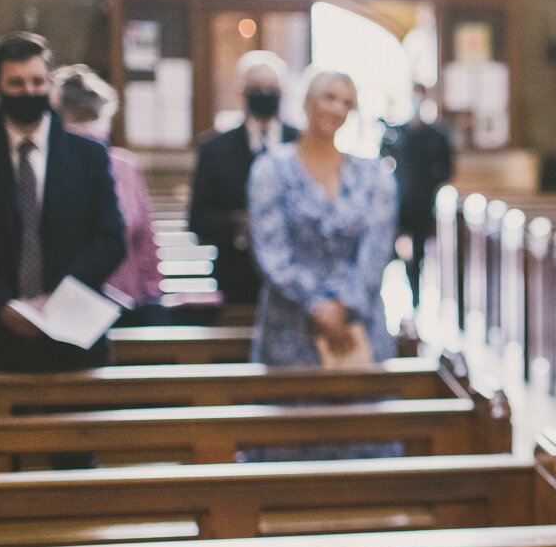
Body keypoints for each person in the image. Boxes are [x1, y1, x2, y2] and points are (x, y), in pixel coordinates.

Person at [249, 69, 396, 370]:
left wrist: (344, 304)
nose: (337, 108)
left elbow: (376, 248)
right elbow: (270, 249)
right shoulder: (271, 169)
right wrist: (316, 305)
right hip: (291, 324)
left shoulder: (373, 175)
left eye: (346, 102)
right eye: (329, 97)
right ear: (308, 102)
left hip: (356, 323)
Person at [0, 32, 126, 373]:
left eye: (38, 81)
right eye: (16, 83)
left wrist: (57, 296)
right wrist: (3, 304)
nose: (29, 92)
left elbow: (111, 239)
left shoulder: (89, 156)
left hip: (73, 336)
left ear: (52, 83)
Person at [188, 50, 299, 306]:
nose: (263, 93)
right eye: (256, 88)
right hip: (237, 277)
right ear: (241, 92)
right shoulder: (214, 148)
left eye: (270, 87)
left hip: (295, 273)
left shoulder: (300, 143)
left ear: (282, 93)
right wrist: (239, 223)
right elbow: (197, 219)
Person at [56, 64, 165, 324]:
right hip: (71, 302)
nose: (91, 127)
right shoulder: (55, 166)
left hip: (128, 300)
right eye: (79, 117)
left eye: (95, 116)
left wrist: (154, 290)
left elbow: (145, 237)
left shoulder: (124, 166)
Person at [380, 82, 455, 304]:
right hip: (399, 203)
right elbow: (381, 162)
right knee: (393, 249)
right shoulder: (396, 133)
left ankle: (416, 298)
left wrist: (429, 184)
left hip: (423, 203)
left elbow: (447, 169)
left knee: (418, 252)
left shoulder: (436, 136)